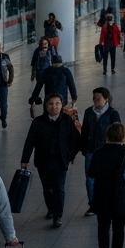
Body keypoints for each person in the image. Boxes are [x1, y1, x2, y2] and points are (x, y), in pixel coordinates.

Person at [20, 94, 80, 228]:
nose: (54, 106)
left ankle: (58, 215)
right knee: (47, 188)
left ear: (61, 105)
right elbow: (30, 141)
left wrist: (71, 155)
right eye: (51, 104)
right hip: (43, 160)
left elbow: (75, 139)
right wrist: (25, 160)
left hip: (61, 160)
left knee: (59, 187)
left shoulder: (66, 120)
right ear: (46, 105)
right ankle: (51, 208)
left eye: (57, 103)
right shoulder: (38, 122)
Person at [87, 122, 125, 248]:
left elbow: (91, 173)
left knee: (103, 226)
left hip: (102, 196)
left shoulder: (98, 152)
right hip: (120, 197)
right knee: (119, 228)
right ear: (124, 136)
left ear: (107, 135)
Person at [80, 88, 122, 217]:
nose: (95, 101)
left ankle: (108, 202)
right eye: (94, 98)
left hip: (107, 150)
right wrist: (84, 147)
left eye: (98, 98)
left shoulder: (112, 114)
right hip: (91, 149)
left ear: (106, 99)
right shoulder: (89, 112)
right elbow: (85, 130)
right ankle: (93, 205)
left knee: (108, 177)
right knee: (90, 178)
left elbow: (118, 132)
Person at [98, 11, 121, 75]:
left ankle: (112, 69)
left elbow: (118, 34)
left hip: (113, 44)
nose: (111, 21)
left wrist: (119, 42)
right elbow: (102, 35)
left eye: (112, 20)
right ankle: (105, 69)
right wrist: (101, 42)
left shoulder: (115, 26)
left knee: (113, 57)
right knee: (105, 57)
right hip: (106, 44)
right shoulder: (105, 27)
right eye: (110, 20)